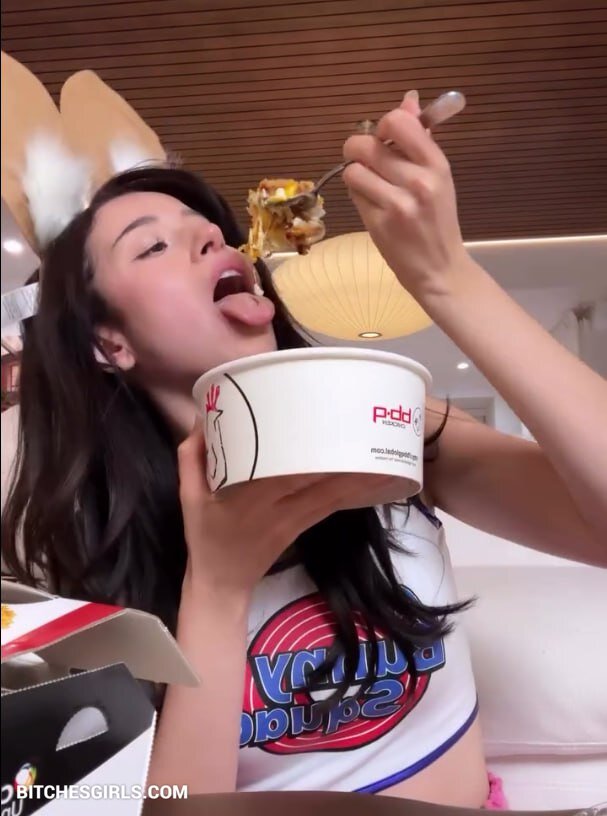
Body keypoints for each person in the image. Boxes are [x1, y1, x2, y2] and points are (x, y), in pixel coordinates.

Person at [2, 90, 606, 809]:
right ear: (110, 344)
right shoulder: (73, 568)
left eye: (213, 231)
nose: (215, 240)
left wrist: (446, 277)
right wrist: (218, 589)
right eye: (153, 245)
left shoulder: (392, 429)